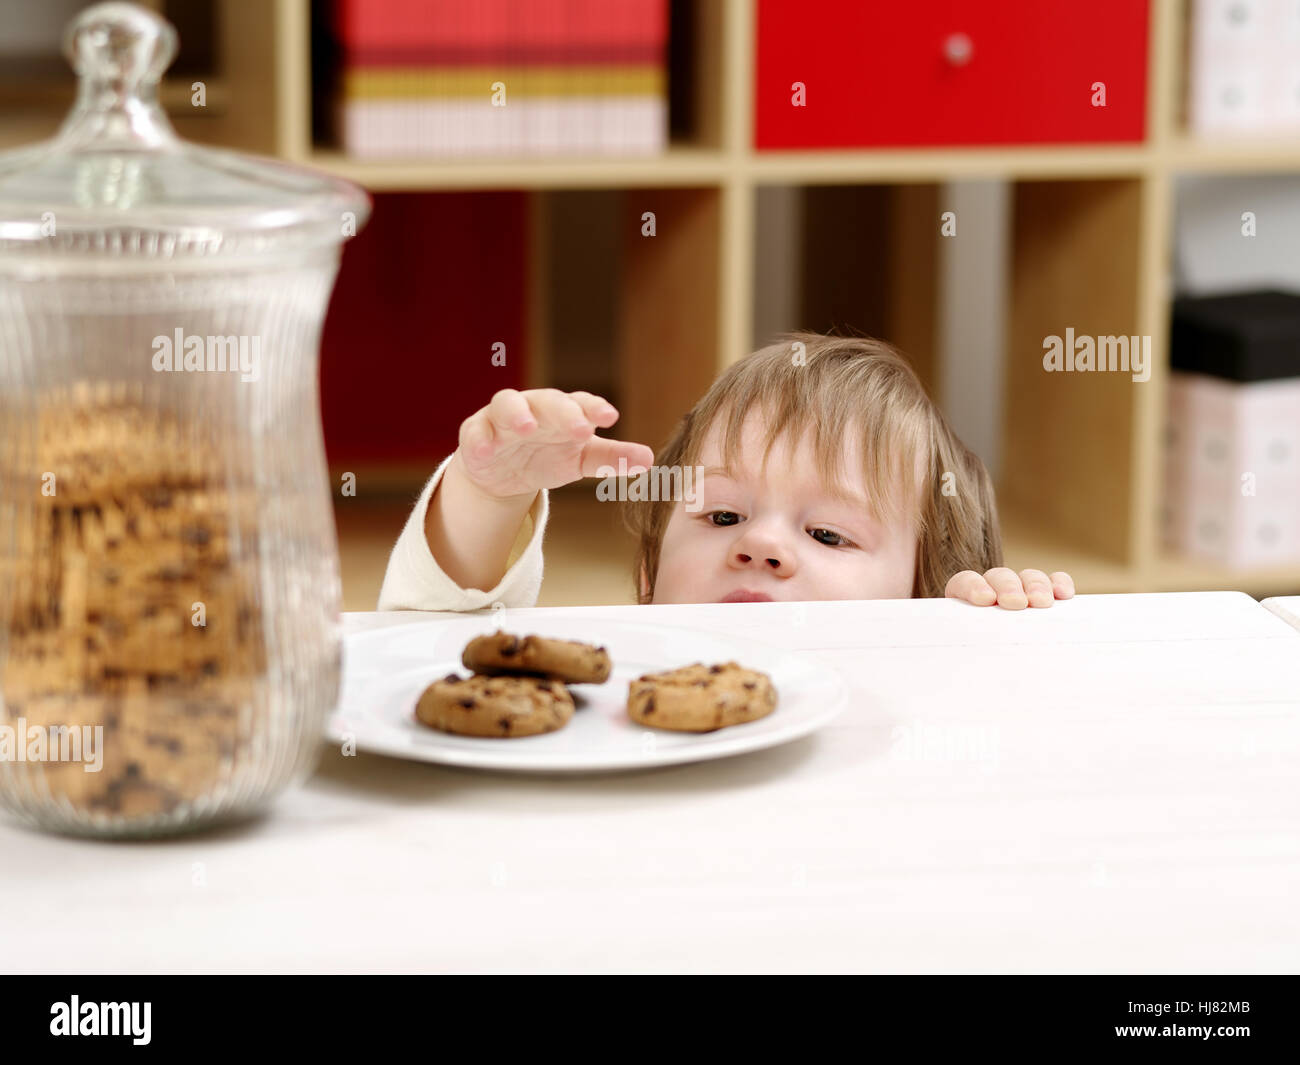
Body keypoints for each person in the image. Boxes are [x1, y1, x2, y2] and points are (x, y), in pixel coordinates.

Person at [378, 332, 1075, 611]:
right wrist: (487, 496)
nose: (762, 545)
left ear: (920, 598)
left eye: (828, 534)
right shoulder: (621, 690)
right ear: (649, 579)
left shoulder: (924, 687)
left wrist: (981, 639)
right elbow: (429, 659)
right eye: (721, 516)